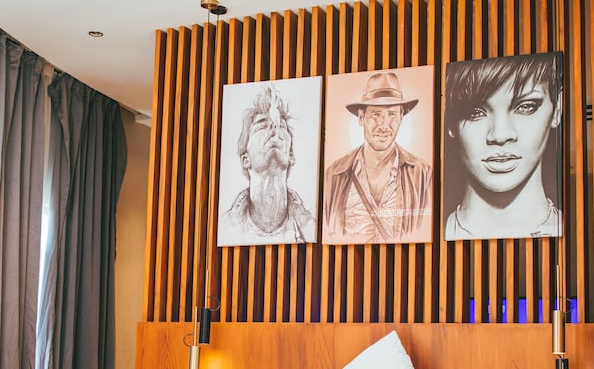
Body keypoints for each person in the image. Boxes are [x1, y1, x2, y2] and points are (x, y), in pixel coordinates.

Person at [443, 53, 562, 240]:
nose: (500, 135)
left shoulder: (579, 236)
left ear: (557, 109)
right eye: (474, 112)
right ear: (450, 121)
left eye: (526, 106)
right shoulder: (422, 236)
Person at [323, 70, 432, 243]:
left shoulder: (422, 173)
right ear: (361, 117)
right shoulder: (334, 174)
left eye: (392, 114)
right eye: (376, 114)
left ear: (401, 117)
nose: (384, 125)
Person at [221, 84, 315, 244]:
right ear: (245, 159)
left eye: (281, 125)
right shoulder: (227, 227)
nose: (273, 128)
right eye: (261, 125)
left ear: (291, 156)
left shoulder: (309, 225)